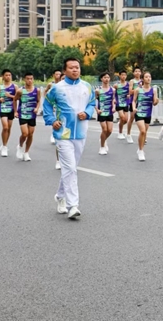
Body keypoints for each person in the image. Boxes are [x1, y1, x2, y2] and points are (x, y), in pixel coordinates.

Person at [43, 57, 96, 220]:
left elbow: (92, 103)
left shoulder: (87, 87)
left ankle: (60, 196)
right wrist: (52, 121)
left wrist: (87, 113)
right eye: (72, 68)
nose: (75, 70)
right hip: (63, 133)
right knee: (70, 168)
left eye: (77, 67)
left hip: (80, 132)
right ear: (64, 71)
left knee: (71, 169)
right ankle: (73, 205)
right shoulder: (56, 88)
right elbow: (46, 105)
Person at [131, 71, 158, 161]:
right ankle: (141, 151)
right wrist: (134, 108)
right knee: (142, 131)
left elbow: (154, 103)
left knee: (145, 133)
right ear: (143, 79)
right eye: (146, 77)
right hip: (139, 113)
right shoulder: (138, 90)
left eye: (149, 77)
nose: (148, 78)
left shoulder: (153, 91)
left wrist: (156, 101)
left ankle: (139, 149)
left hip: (148, 114)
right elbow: (134, 101)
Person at [15, 72, 41, 162]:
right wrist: (15, 111)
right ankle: (20, 146)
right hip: (22, 114)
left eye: (31, 78)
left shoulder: (37, 90)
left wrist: (37, 108)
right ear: (24, 80)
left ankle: (26, 153)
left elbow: (38, 101)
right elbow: (15, 100)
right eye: (28, 79)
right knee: (25, 133)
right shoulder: (20, 91)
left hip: (32, 115)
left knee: (30, 134)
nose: (29, 80)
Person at [0, 70, 18, 158]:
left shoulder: (14, 86)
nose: (8, 77)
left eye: (9, 75)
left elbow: (18, 97)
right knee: (5, 127)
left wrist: (10, 96)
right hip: (3, 108)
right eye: (6, 75)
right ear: (3, 77)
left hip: (11, 109)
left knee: (9, 128)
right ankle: (4, 147)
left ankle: (5, 143)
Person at [45, 70, 63, 170]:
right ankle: (58, 160)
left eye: (59, 75)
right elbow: (46, 94)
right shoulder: (52, 85)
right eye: (56, 74)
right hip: (55, 107)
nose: (58, 76)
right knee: (57, 126)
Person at [95, 72, 115, 155]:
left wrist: (114, 107)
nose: (106, 79)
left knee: (109, 130)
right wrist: (97, 110)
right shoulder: (98, 90)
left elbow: (113, 99)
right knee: (104, 129)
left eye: (108, 77)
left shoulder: (113, 90)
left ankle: (103, 139)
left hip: (109, 111)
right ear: (101, 79)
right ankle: (102, 147)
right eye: (104, 77)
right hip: (102, 112)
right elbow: (94, 101)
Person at [124, 67, 142, 144]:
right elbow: (130, 91)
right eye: (136, 71)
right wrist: (138, 89)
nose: (137, 72)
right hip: (133, 101)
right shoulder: (132, 81)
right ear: (133, 73)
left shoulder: (143, 81)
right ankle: (128, 134)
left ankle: (143, 134)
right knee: (132, 118)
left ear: (141, 73)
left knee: (142, 118)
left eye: (139, 71)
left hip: (141, 101)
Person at [114, 71, 131, 142]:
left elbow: (130, 92)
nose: (123, 76)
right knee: (122, 117)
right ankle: (120, 133)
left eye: (125, 75)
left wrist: (129, 95)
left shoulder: (128, 84)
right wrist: (114, 100)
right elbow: (113, 93)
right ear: (119, 76)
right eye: (122, 75)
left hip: (125, 104)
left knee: (126, 120)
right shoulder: (116, 85)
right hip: (119, 103)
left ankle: (120, 123)